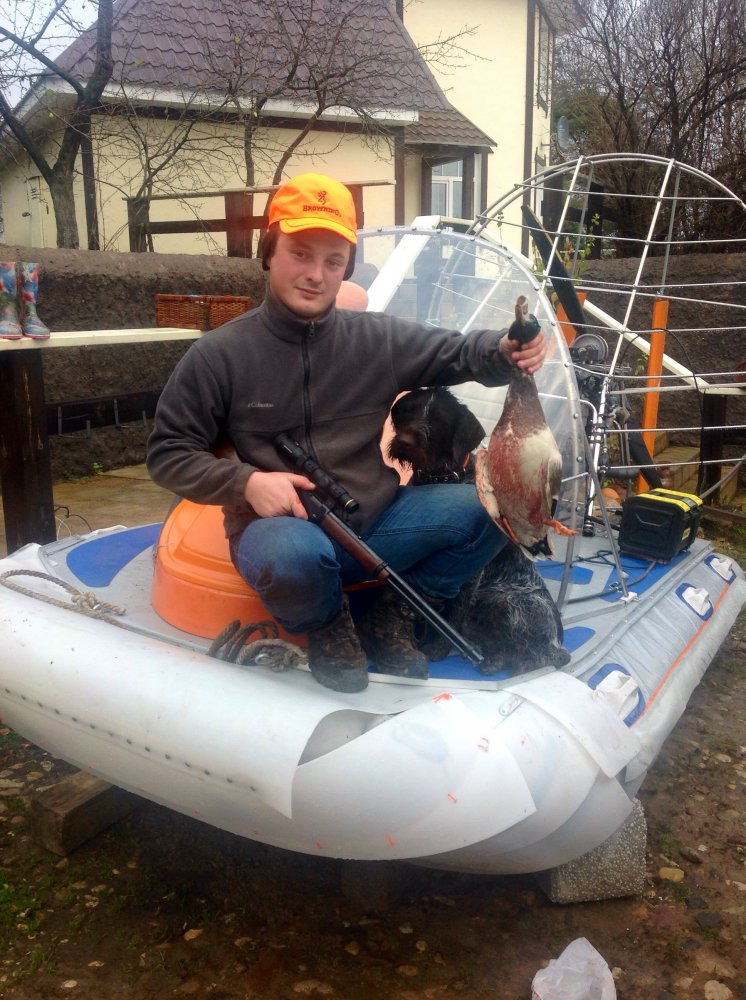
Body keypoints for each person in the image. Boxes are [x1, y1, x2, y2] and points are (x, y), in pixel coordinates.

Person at [147, 173, 546, 694]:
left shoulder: (377, 338)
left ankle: (394, 613)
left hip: (378, 523)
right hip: (282, 533)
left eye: (333, 262)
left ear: (347, 269)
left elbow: (457, 352)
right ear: (269, 253)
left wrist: (505, 348)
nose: (316, 275)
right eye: (300, 254)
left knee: (502, 508)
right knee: (293, 558)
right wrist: (247, 483)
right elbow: (168, 454)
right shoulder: (216, 356)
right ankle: (327, 623)